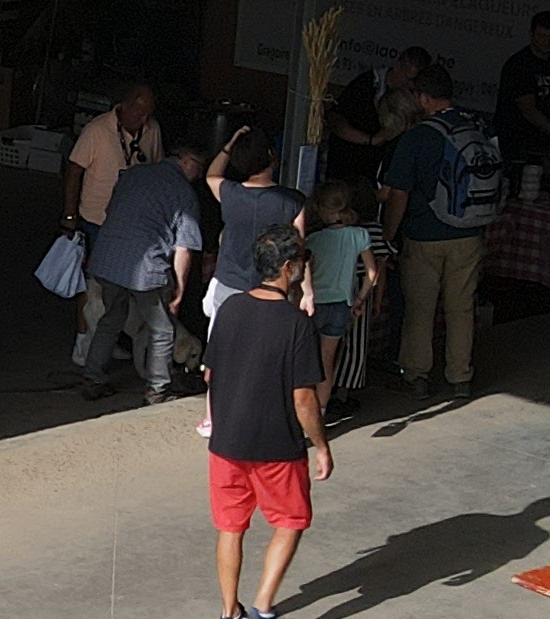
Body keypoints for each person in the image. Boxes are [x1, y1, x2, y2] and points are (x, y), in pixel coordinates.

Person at [205, 225, 332, 619]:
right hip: (277, 446)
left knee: (230, 527)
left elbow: (210, 373)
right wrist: (321, 445)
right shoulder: (296, 324)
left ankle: (229, 613)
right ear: (289, 267)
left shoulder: (230, 309)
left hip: (226, 444)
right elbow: (303, 398)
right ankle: (262, 607)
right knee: (291, 521)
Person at [377, 63, 502, 394]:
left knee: (420, 309)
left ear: (423, 98)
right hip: (470, 233)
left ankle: (417, 374)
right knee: (461, 308)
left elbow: (398, 194)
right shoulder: (477, 127)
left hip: (424, 235)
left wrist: (388, 236)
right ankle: (460, 376)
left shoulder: (416, 137)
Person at [81, 142, 207, 402]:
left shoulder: (134, 174)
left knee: (111, 318)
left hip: (108, 258)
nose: (200, 175)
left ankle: (93, 378)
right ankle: (157, 391)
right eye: (199, 168)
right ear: (186, 160)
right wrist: (179, 291)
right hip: (145, 269)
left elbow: (109, 211)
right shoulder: (184, 193)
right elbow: (184, 249)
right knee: (162, 329)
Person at [57, 85, 162, 369]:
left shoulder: (152, 130)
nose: (143, 119)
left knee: (120, 286)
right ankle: (83, 341)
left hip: (132, 223)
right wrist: (69, 215)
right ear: (123, 107)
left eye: (148, 114)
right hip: (96, 220)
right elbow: (74, 171)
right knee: (90, 286)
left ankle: (106, 338)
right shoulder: (97, 129)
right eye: (139, 112)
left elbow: (156, 171)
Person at [202, 125, 308, 340]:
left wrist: (229, 146)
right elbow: (299, 250)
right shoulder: (293, 201)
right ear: (271, 155)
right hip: (273, 288)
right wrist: (307, 291)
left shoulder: (230, 193)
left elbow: (212, 175)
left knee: (224, 348)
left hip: (229, 283)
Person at [303, 180, 381, 417]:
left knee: (306, 360)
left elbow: (304, 271)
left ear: (320, 208)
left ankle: (303, 411)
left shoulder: (313, 240)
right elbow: (372, 274)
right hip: (341, 305)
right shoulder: (360, 235)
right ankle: (321, 411)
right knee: (327, 360)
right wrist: (359, 299)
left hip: (314, 304)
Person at [496, 9, 550, 163]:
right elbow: (528, 109)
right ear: (532, 35)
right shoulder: (519, 65)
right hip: (518, 140)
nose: (547, 41)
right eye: (542, 36)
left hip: (545, 139)